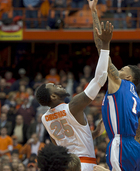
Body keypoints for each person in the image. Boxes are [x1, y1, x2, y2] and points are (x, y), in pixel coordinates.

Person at [36, 20, 113, 171]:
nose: (58, 85)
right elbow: (100, 78)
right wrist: (105, 45)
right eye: (54, 86)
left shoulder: (44, 119)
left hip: (68, 165)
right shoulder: (72, 107)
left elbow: (63, 143)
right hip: (85, 164)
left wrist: (93, 135)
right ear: (52, 97)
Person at [87, 0, 140, 171]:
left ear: (128, 76)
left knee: (96, 169)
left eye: (121, 69)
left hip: (119, 143)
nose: (117, 70)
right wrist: (99, 129)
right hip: (134, 147)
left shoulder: (120, 83)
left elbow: (101, 50)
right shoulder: (135, 98)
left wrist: (94, 12)